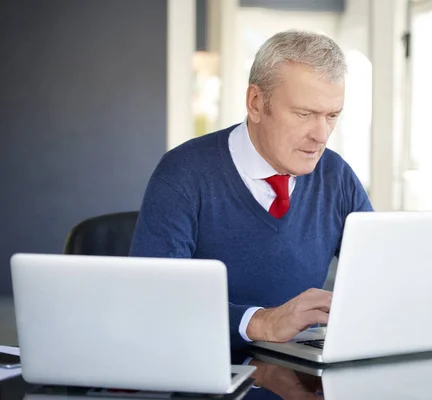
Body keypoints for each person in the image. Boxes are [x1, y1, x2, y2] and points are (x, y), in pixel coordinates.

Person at [130, 30, 373, 349]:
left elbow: (380, 275)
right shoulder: (183, 173)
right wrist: (262, 322)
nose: (321, 134)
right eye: (304, 114)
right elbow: (153, 300)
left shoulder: (336, 175)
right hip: (206, 369)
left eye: (332, 116)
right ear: (256, 103)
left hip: (298, 376)